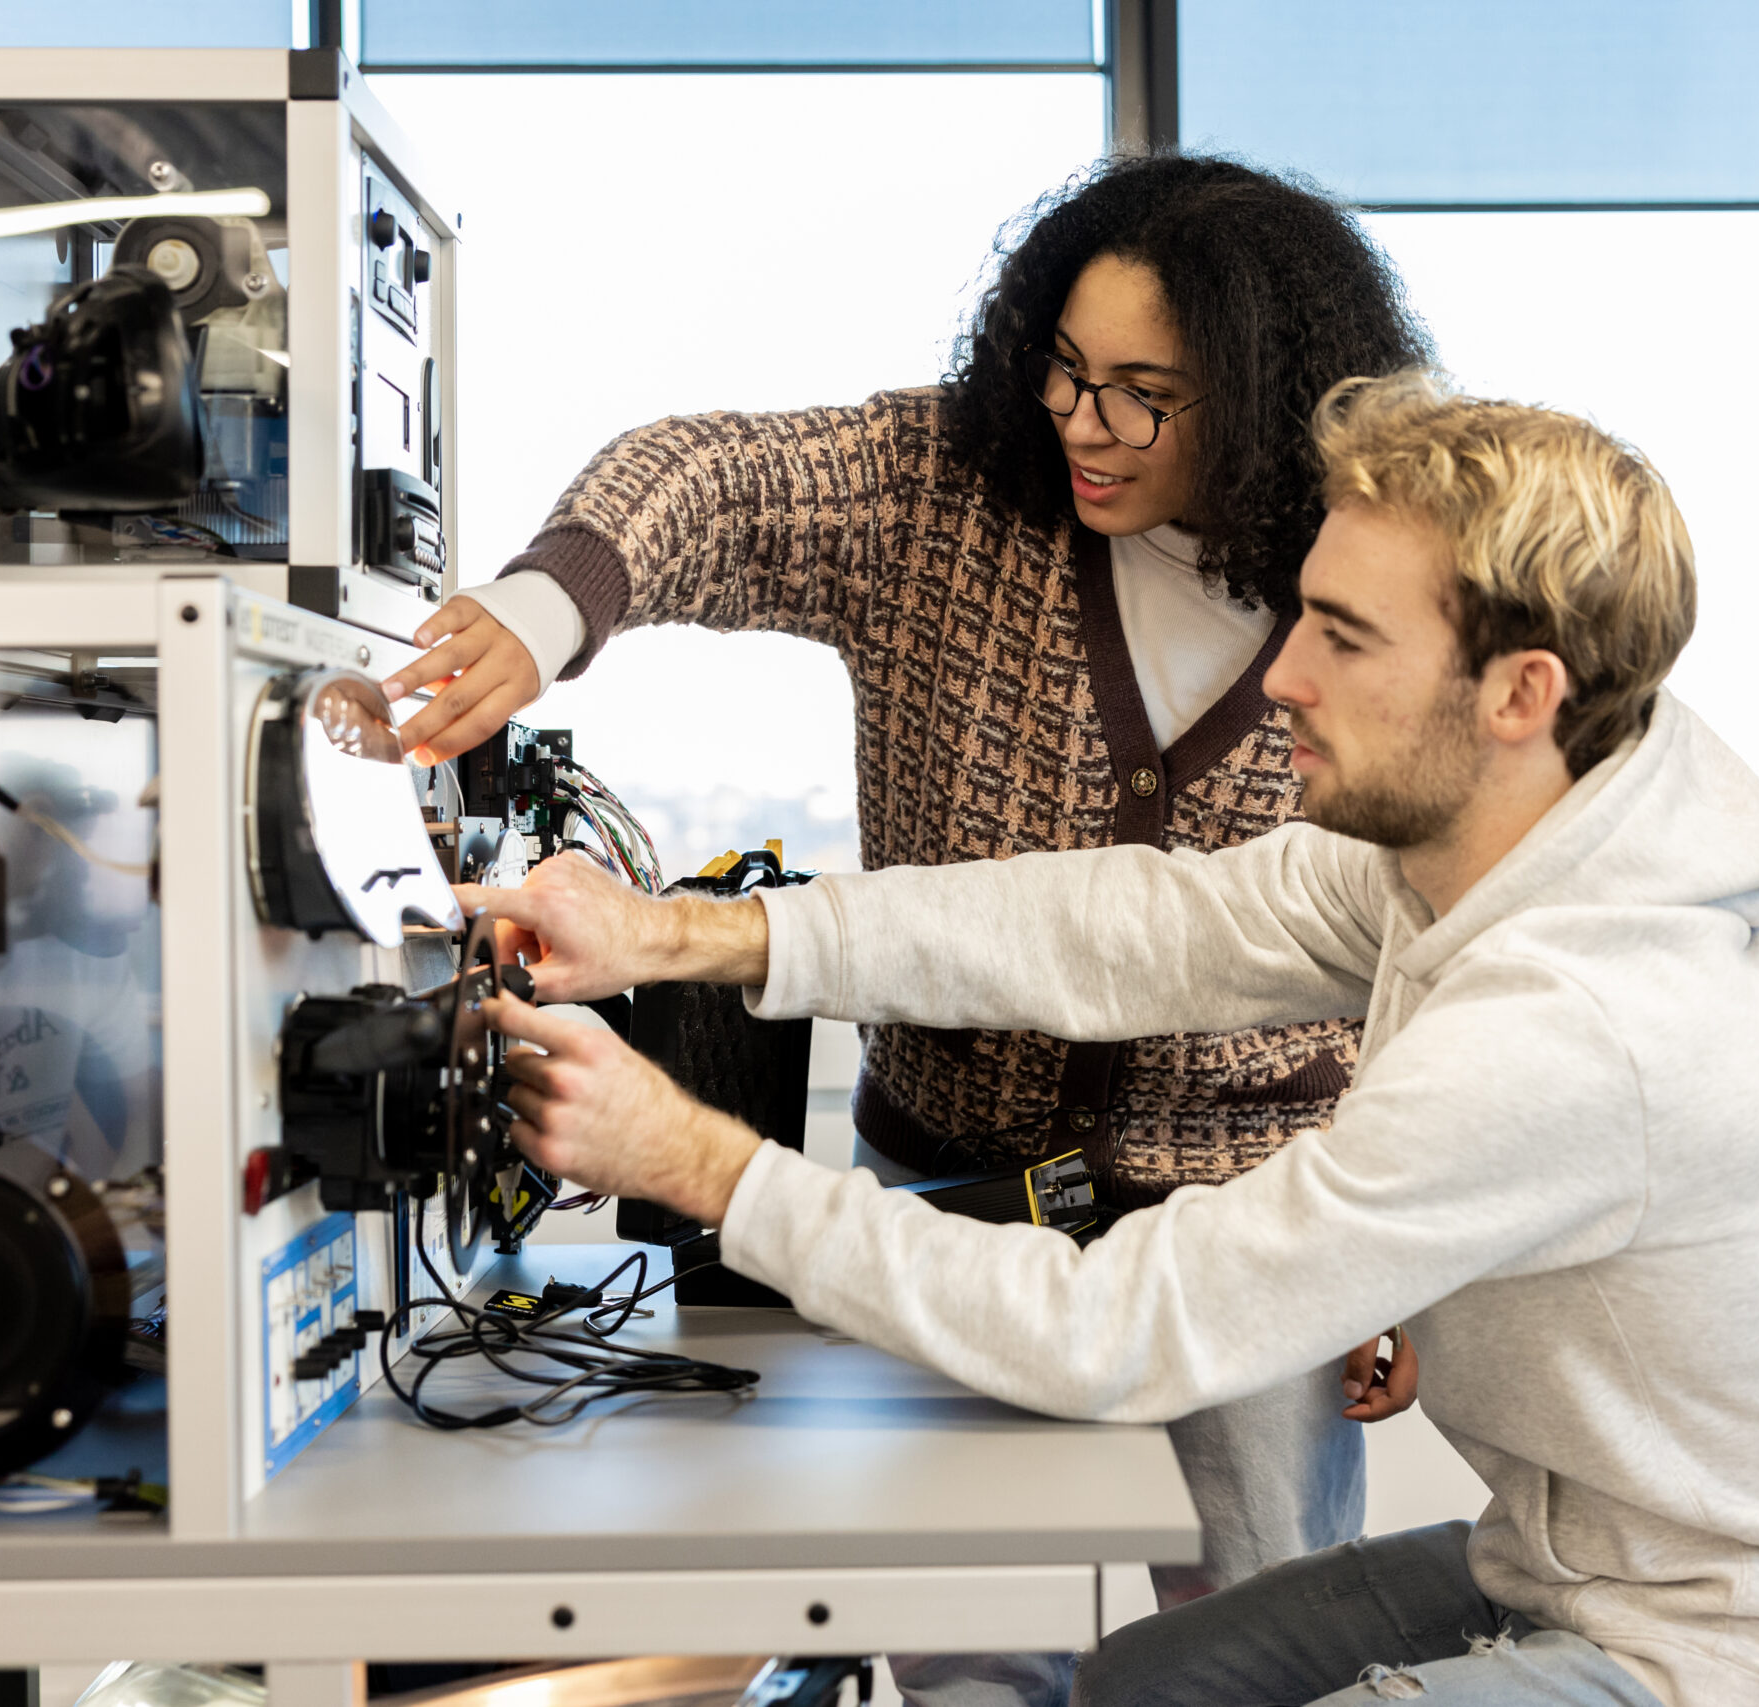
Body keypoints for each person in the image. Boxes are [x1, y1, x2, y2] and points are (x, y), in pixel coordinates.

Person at [459, 377, 1759, 1707]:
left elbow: (1121, 1334)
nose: (1285, 672)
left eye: (1342, 635)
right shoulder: (1479, 860)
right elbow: (1120, 930)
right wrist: (677, 937)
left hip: (1727, 1659)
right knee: (1137, 1688)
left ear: (1519, 694)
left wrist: (701, 1162)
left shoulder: (1586, 1020)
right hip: (1571, 1570)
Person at [384, 154, 1435, 1659]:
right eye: (1065, 369)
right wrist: (549, 609)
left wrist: (1395, 1249)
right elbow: (708, 477)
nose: (1084, 421)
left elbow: (1410, 923)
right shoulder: (946, 495)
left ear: (1264, 394)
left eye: (1146, 391)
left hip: (1247, 1231)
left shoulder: (1355, 583)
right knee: (966, 1645)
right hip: (947, 1195)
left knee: (1260, 1647)